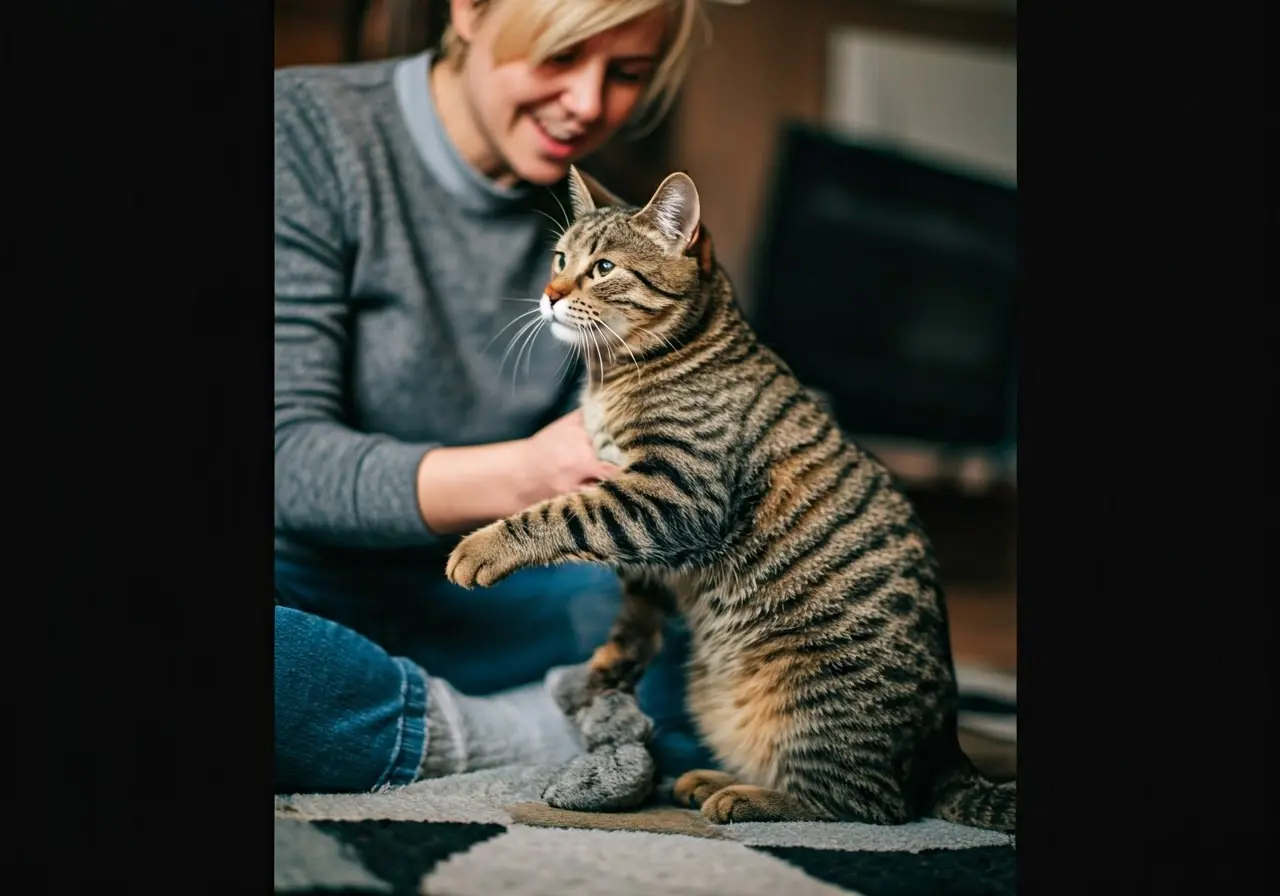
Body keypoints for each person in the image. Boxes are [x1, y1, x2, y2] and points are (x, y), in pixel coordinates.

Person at [274, 0, 715, 795]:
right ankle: (501, 734)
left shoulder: (609, 235)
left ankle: (372, 720)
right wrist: (534, 471)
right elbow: (283, 462)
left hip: (491, 589)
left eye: (627, 74)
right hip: (302, 576)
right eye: (560, 55)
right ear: (470, 11)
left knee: (710, 621)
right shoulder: (302, 132)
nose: (588, 104)